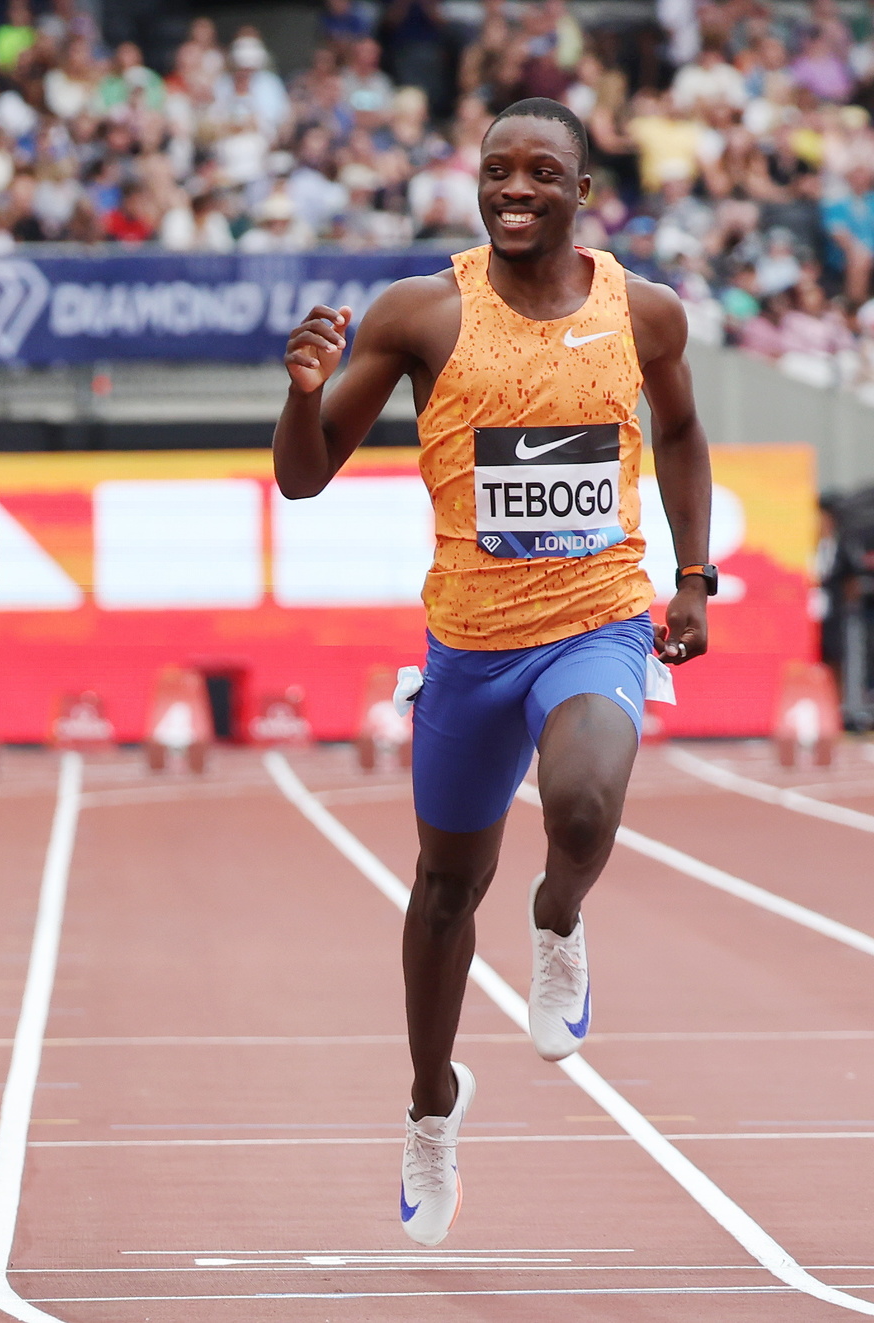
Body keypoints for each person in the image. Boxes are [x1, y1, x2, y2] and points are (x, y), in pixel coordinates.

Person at [272, 98, 714, 1246]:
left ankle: (559, 918)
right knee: (439, 894)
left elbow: (675, 433)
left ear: (582, 188)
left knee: (579, 803)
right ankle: (430, 1107)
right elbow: (305, 477)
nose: (513, 189)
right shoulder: (421, 311)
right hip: (468, 643)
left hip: (597, 622)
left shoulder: (642, 311)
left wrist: (691, 578)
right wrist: (300, 390)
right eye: (494, 172)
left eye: (540, 172)